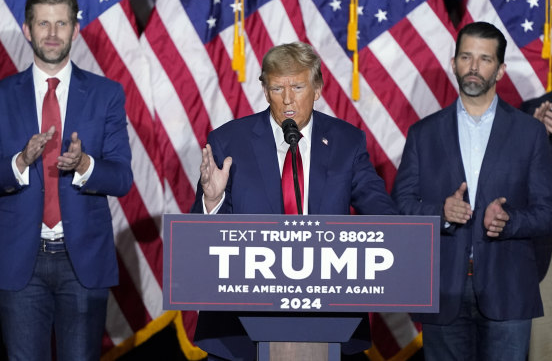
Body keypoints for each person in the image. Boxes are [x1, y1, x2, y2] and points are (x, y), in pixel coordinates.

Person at [191, 41, 397, 360]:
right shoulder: (229, 141)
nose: (287, 99)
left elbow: (382, 212)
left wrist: (407, 241)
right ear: (265, 89)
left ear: (317, 89)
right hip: (241, 326)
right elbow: (200, 241)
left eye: (298, 87)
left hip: (328, 317)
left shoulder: (346, 141)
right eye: (277, 88)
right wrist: (212, 201)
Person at [0, 0, 133, 360]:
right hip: (19, 263)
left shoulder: (107, 94)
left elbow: (122, 178)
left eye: (62, 24)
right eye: (43, 23)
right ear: (28, 30)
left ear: (76, 31)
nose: (53, 33)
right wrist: (20, 161)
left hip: (83, 262)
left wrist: (85, 165)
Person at [391, 21, 552, 361]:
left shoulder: (530, 133)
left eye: (485, 59)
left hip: (509, 287)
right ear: (454, 63)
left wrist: (509, 221)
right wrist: (441, 213)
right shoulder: (423, 133)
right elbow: (400, 206)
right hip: (443, 288)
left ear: (501, 69)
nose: (474, 67)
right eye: (466, 57)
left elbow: (546, 211)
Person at [519, 93, 552, 361]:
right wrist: (535, 133)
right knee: (543, 349)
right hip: (547, 260)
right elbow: (507, 175)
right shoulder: (532, 112)